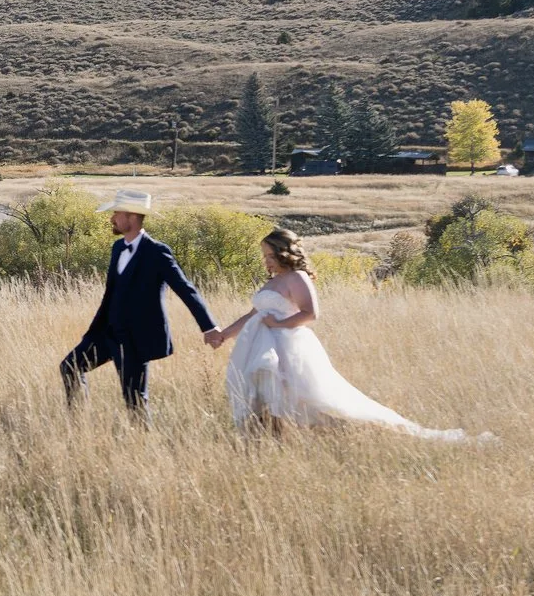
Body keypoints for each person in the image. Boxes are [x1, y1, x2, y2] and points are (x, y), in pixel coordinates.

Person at [206, 228, 479, 441]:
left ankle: (348, 432)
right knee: (264, 395)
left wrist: (277, 325)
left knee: (308, 396)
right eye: (264, 256)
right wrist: (223, 334)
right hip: (260, 345)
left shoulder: (297, 278)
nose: (266, 260)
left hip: (286, 345)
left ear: (284, 253)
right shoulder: (272, 281)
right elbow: (253, 313)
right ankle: (266, 441)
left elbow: (310, 313)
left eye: (269, 255)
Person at [59, 188, 214, 420]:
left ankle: (144, 440)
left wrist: (209, 327)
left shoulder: (157, 252)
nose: (112, 218)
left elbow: (185, 289)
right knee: (70, 366)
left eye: (116, 213)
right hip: (106, 333)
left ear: (131, 216)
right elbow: (111, 293)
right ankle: (79, 422)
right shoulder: (118, 248)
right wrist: (95, 331)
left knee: (134, 399)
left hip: (135, 339)